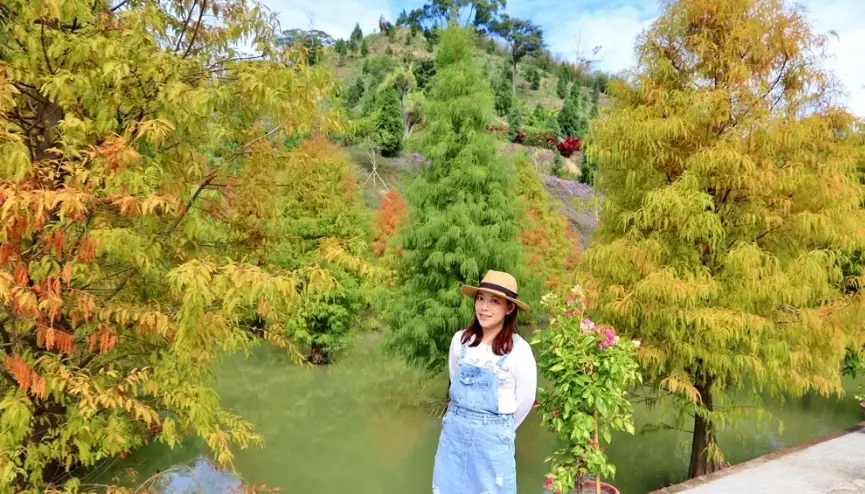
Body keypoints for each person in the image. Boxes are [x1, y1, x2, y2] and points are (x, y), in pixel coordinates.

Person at [432, 270, 537, 494]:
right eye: (480, 299)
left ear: (509, 308)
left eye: (494, 302)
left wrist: (497, 429)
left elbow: (525, 401)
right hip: (454, 434)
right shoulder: (461, 340)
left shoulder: (519, 351)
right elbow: (454, 381)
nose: (484, 308)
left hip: (492, 442)